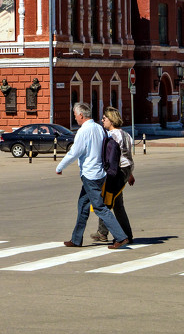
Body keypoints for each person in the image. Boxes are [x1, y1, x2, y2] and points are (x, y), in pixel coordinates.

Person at [55, 101, 130, 249]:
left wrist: (60, 166)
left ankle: (121, 237)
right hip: (100, 173)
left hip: (91, 174)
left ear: (81, 115)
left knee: (99, 208)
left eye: (75, 115)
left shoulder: (83, 131)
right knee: (82, 204)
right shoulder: (99, 128)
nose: (75, 118)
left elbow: (74, 153)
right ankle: (76, 239)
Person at [93, 106, 134, 243]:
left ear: (111, 120)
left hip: (116, 171)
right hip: (125, 170)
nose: (102, 120)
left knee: (107, 201)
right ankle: (113, 233)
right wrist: (129, 174)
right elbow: (127, 155)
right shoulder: (126, 134)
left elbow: (111, 157)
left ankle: (107, 233)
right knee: (116, 203)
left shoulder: (112, 135)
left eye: (104, 118)